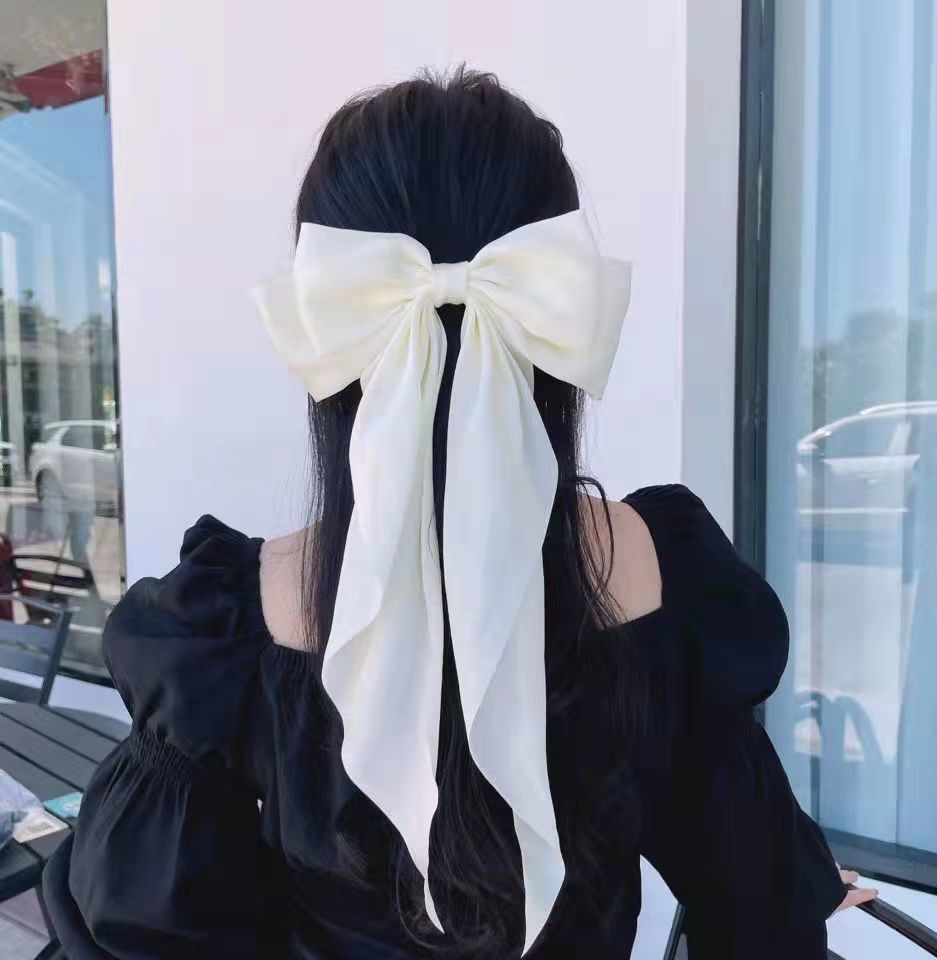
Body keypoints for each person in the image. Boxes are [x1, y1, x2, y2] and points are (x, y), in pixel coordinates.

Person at [41, 67, 875, 959]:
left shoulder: (225, 622)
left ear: (331, 335)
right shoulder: (661, 572)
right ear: (555, 322)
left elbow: (151, 926)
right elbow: (759, 910)